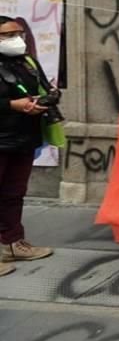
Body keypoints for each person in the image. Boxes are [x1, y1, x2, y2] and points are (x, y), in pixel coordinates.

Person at [0, 16, 55, 276]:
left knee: (14, 193)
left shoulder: (27, 62)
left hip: (23, 136)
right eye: (8, 35)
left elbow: (46, 87)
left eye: (19, 33)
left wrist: (45, 100)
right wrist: (12, 105)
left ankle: (12, 243)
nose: (16, 39)